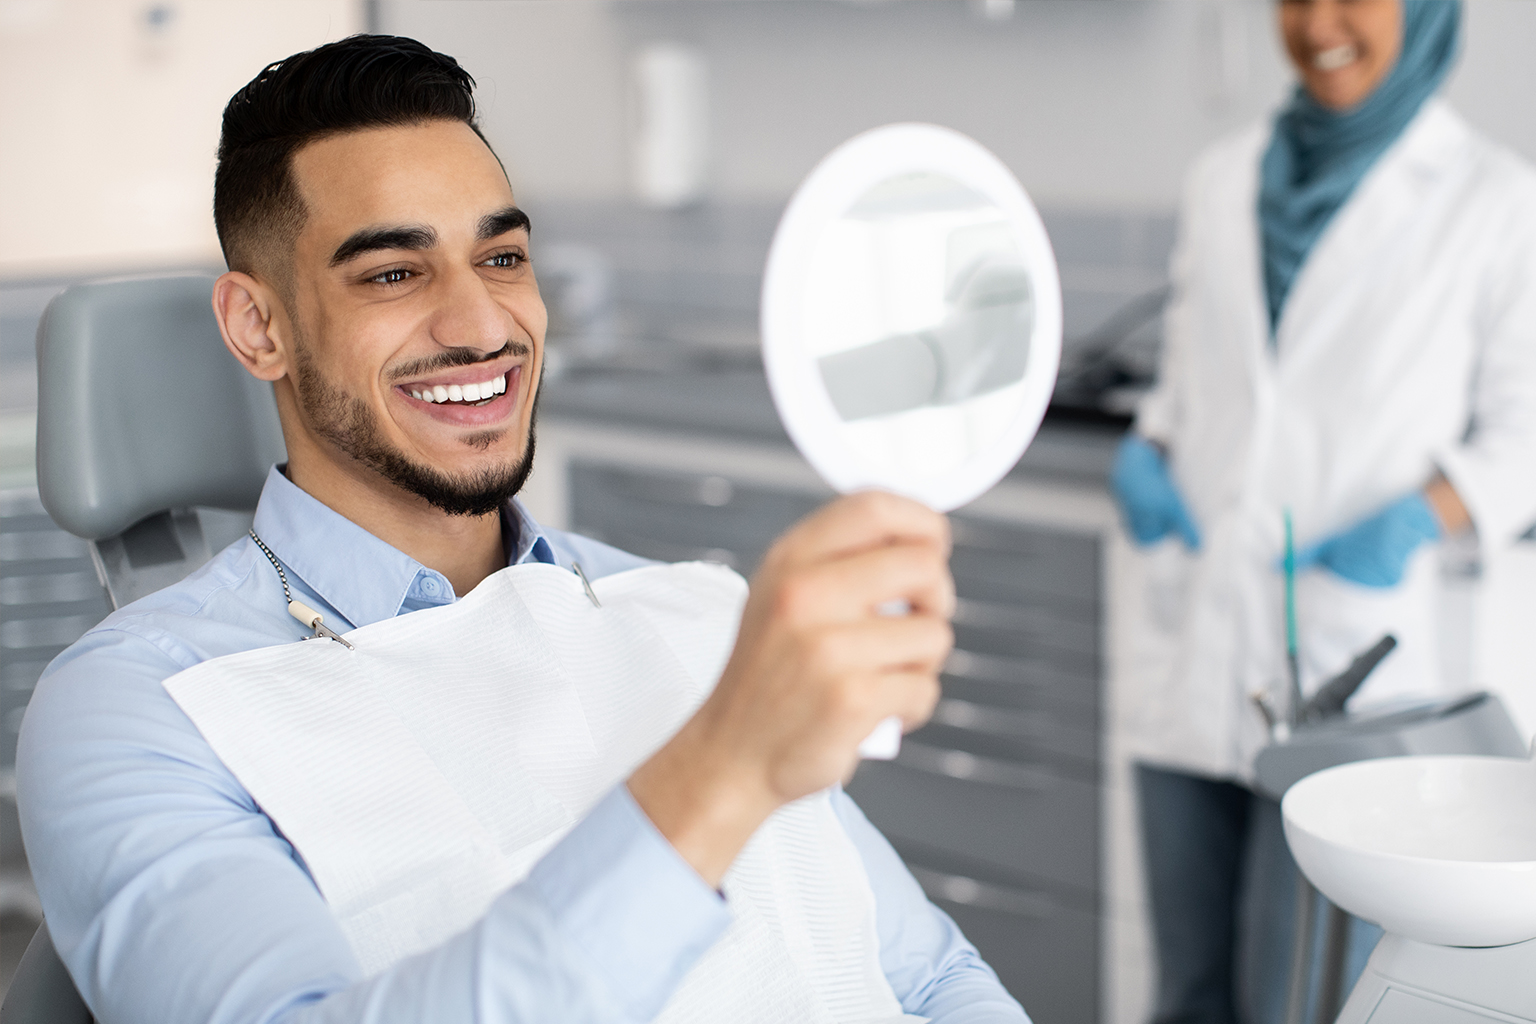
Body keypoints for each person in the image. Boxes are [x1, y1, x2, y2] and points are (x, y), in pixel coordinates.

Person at [15, 36, 1030, 1024]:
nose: (481, 324)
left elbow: (932, 979)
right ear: (259, 326)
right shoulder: (138, 711)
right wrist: (722, 765)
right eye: (392, 274)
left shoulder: (694, 609)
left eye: (501, 256)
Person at [1111, 2, 1536, 1023]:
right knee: (1185, 990)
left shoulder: (1496, 201)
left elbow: (1526, 436)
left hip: (1360, 661)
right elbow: (1189, 384)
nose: (1320, 22)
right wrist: (1147, 449)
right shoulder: (1223, 177)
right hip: (1202, 640)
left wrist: (1424, 514)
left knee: (1294, 1001)